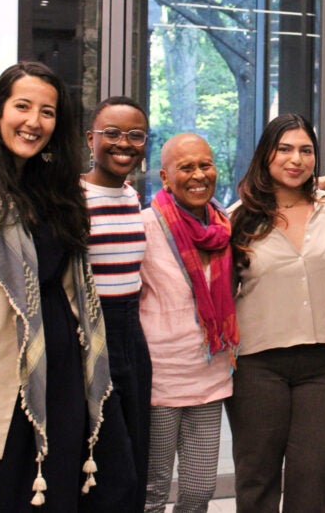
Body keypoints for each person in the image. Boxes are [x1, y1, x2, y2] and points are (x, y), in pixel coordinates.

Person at [0, 61, 112, 511]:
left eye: (48, 112)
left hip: (61, 375)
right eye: (22, 106)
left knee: (57, 499)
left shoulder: (61, 194)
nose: (34, 121)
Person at [227, 114, 325, 511]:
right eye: (284, 149)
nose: (295, 159)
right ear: (266, 154)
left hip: (321, 363)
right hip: (256, 363)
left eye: (305, 150)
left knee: (313, 475)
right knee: (258, 474)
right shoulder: (237, 218)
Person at [141, 133, 239, 513]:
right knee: (153, 490)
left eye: (205, 165)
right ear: (165, 178)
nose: (198, 174)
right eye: (186, 167)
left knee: (200, 491)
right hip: (159, 381)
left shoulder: (225, 226)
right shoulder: (145, 226)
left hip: (209, 377)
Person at [80, 96, 151, 511]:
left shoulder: (131, 198)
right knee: (105, 466)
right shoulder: (73, 199)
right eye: (112, 133)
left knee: (136, 456)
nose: (123, 143)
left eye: (135, 135)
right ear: (91, 139)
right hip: (89, 338)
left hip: (132, 336)